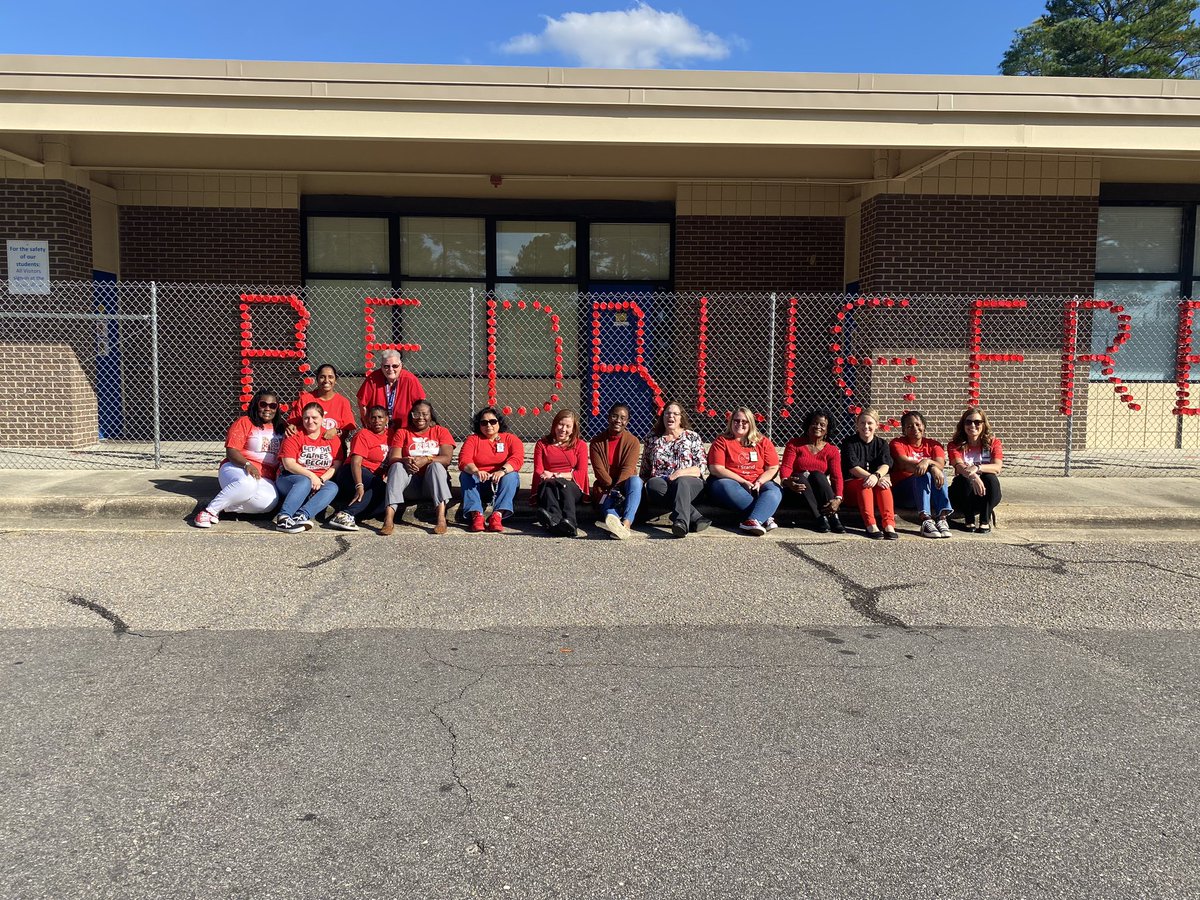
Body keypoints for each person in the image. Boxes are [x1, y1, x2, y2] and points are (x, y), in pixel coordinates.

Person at [192, 388, 286, 528]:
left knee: (269, 502)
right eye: (263, 404)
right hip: (237, 467)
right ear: (256, 404)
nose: (268, 409)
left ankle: (226, 506)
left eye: (272, 406)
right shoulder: (245, 422)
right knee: (248, 483)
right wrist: (247, 464)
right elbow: (231, 451)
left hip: (265, 476)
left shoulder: (280, 428)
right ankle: (209, 511)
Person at [379, 400, 455, 536]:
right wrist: (404, 460)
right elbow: (393, 458)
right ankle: (389, 519)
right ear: (411, 415)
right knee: (396, 466)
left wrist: (427, 459)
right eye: (416, 414)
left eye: (425, 414)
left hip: (431, 485)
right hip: (410, 485)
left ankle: (441, 519)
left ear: (431, 416)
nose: (420, 417)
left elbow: (447, 458)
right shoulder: (402, 432)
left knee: (436, 466)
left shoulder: (441, 431)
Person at [706, 406, 782, 535]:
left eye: (744, 421)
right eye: (736, 421)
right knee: (725, 485)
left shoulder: (763, 442)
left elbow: (773, 468)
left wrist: (759, 482)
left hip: (756, 482)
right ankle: (763, 516)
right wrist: (743, 481)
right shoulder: (722, 441)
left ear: (750, 423)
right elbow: (716, 469)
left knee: (774, 489)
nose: (739, 424)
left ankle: (753, 520)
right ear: (731, 422)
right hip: (729, 482)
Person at [641, 401, 709, 538]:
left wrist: (679, 473)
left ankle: (681, 523)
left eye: (675, 414)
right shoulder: (652, 438)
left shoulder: (692, 437)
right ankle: (695, 516)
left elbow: (701, 467)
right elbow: (645, 468)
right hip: (662, 483)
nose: (670, 416)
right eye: (667, 413)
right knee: (653, 484)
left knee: (681, 482)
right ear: (662, 416)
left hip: (691, 483)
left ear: (681, 418)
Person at [275, 401, 345, 533]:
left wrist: (322, 479)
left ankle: (301, 516)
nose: (310, 421)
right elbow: (288, 464)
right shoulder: (294, 435)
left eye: (314, 418)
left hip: (318, 482)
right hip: (290, 479)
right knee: (304, 481)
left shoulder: (331, 437)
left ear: (322, 419)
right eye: (306, 418)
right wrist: (312, 476)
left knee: (332, 487)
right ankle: (284, 518)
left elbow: (336, 464)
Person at [458, 406, 524, 533]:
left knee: (512, 475)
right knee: (466, 475)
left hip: (501, 483)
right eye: (484, 422)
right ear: (479, 425)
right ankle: (476, 515)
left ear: (499, 422)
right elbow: (464, 460)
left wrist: (502, 471)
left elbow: (517, 459)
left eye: (492, 421)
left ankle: (497, 515)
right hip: (480, 483)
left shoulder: (510, 439)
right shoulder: (473, 439)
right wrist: (476, 471)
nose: (488, 425)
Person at [780, 409, 845, 533]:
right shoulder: (794, 444)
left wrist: (838, 498)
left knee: (818, 475)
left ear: (827, 429)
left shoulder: (832, 450)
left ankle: (833, 516)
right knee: (800, 476)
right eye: (814, 423)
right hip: (797, 492)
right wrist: (787, 481)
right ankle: (819, 518)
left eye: (822, 425)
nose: (818, 427)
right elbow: (786, 467)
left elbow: (837, 477)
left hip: (818, 494)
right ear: (808, 425)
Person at [890, 410, 952, 539]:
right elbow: (905, 464)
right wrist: (931, 467)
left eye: (918, 424)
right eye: (909, 426)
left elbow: (940, 464)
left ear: (924, 426)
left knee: (938, 473)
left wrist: (928, 462)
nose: (915, 428)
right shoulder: (897, 443)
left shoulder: (934, 445)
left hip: (928, 494)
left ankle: (942, 518)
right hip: (904, 493)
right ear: (904, 430)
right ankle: (926, 520)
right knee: (923, 474)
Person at [327, 405, 390, 531]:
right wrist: (359, 485)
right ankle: (347, 514)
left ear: (387, 419)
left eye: (380, 417)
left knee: (385, 499)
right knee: (380, 486)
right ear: (368, 420)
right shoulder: (364, 434)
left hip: (372, 478)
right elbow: (356, 462)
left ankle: (348, 514)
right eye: (373, 418)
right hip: (352, 473)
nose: (377, 421)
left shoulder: (391, 435)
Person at [840, 407, 898, 540]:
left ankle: (889, 524)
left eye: (870, 423)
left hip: (873, 487)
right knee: (865, 483)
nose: (866, 426)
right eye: (862, 423)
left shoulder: (882, 444)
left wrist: (876, 476)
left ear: (877, 425)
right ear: (857, 425)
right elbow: (853, 468)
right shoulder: (849, 443)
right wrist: (872, 477)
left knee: (884, 485)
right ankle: (870, 524)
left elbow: (886, 464)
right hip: (852, 489)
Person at [589, 402, 643, 540]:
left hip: (625, 486)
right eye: (614, 416)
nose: (618, 420)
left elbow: (628, 468)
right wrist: (611, 490)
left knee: (636, 480)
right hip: (605, 487)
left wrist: (617, 488)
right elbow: (599, 471)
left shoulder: (633, 442)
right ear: (608, 418)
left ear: (627, 421)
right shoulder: (596, 442)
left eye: (623, 418)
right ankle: (613, 520)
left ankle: (625, 524)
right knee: (605, 500)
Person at [532, 409, 589, 538]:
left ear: (573, 429)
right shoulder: (542, 444)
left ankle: (570, 523)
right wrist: (548, 476)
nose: (563, 429)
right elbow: (538, 470)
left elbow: (582, 472)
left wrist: (557, 475)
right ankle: (555, 522)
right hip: (549, 484)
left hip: (570, 486)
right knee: (548, 485)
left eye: (568, 426)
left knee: (564, 485)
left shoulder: (580, 445)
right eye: (560, 424)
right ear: (554, 425)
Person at [947, 406, 1004, 533]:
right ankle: (969, 519)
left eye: (977, 422)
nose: (972, 425)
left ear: (984, 424)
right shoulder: (954, 444)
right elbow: (959, 466)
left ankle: (985, 520)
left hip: (986, 493)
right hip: (964, 494)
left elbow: (997, 467)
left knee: (990, 478)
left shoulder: (993, 443)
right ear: (963, 425)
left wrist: (977, 467)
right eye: (968, 422)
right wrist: (973, 476)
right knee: (964, 479)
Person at [356, 349, 425, 429]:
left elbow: (421, 405)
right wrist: (368, 424)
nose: (391, 369)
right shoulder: (373, 378)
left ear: (401, 365)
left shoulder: (410, 379)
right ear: (381, 366)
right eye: (386, 366)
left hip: (404, 428)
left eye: (395, 366)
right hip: (379, 430)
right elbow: (362, 402)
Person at [287, 363, 356, 442]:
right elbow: (294, 424)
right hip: (307, 446)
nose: (326, 380)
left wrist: (337, 431)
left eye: (330, 377)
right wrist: (291, 427)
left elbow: (346, 430)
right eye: (322, 377)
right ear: (317, 379)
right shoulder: (305, 399)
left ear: (335, 380)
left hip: (334, 447)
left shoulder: (343, 402)